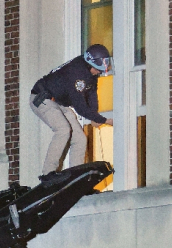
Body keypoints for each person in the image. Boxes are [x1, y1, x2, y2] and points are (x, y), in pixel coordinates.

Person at [30, 44, 115, 179]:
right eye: (97, 69)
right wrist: (103, 120)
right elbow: (80, 106)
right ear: (89, 64)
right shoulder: (77, 73)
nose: (98, 72)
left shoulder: (90, 73)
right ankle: (48, 174)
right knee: (63, 130)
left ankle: (76, 177)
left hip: (57, 103)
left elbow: (92, 94)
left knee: (80, 138)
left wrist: (94, 115)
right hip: (41, 99)